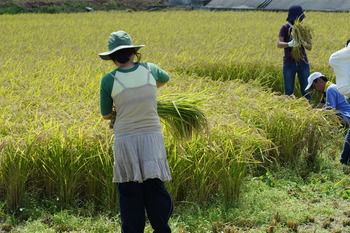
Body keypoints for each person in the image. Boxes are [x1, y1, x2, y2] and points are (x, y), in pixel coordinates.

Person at [99, 30, 173, 232]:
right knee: (155, 188)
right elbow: (165, 79)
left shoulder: (108, 80)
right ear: (133, 52)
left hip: (126, 140)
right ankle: (161, 229)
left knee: (130, 191)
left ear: (113, 57)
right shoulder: (151, 69)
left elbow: (106, 114)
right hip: (152, 138)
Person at [305, 72, 350, 165]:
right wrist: (310, 113)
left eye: (314, 86)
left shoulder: (330, 89)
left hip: (346, 116)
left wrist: (314, 116)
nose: (315, 90)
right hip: (345, 115)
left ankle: (323, 139)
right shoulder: (329, 89)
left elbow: (330, 110)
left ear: (320, 81)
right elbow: (320, 106)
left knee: (324, 117)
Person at [277, 5, 312, 101]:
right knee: (288, 90)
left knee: (306, 89)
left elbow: (310, 47)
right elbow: (279, 44)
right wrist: (289, 44)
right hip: (289, 63)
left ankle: (310, 108)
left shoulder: (304, 29)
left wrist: (303, 43)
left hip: (303, 63)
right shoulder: (285, 27)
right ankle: (289, 110)